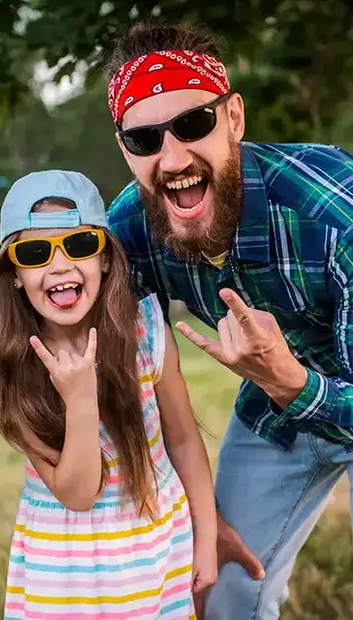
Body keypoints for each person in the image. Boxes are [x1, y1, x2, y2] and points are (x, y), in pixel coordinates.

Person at [106, 21, 353, 619]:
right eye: (144, 139)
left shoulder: (335, 216)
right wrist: (196, 510)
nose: (173, 158)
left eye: (193, 124)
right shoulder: (130, 231)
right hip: (274, 413)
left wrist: (292, 381)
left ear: (234, 119)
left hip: (320, 387)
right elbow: (120, 380)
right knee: (224, 589)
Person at [0, 169, 217, 619]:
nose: (60, 265)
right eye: (35, 252)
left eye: (81, 245)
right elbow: (79, 493)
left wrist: (208, 537)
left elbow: (182, 441)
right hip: (66, 574)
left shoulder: (145, 332)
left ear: (105, 259)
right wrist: (80, 400)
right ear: (14, 276)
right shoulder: (12, 361)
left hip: (157, 549)